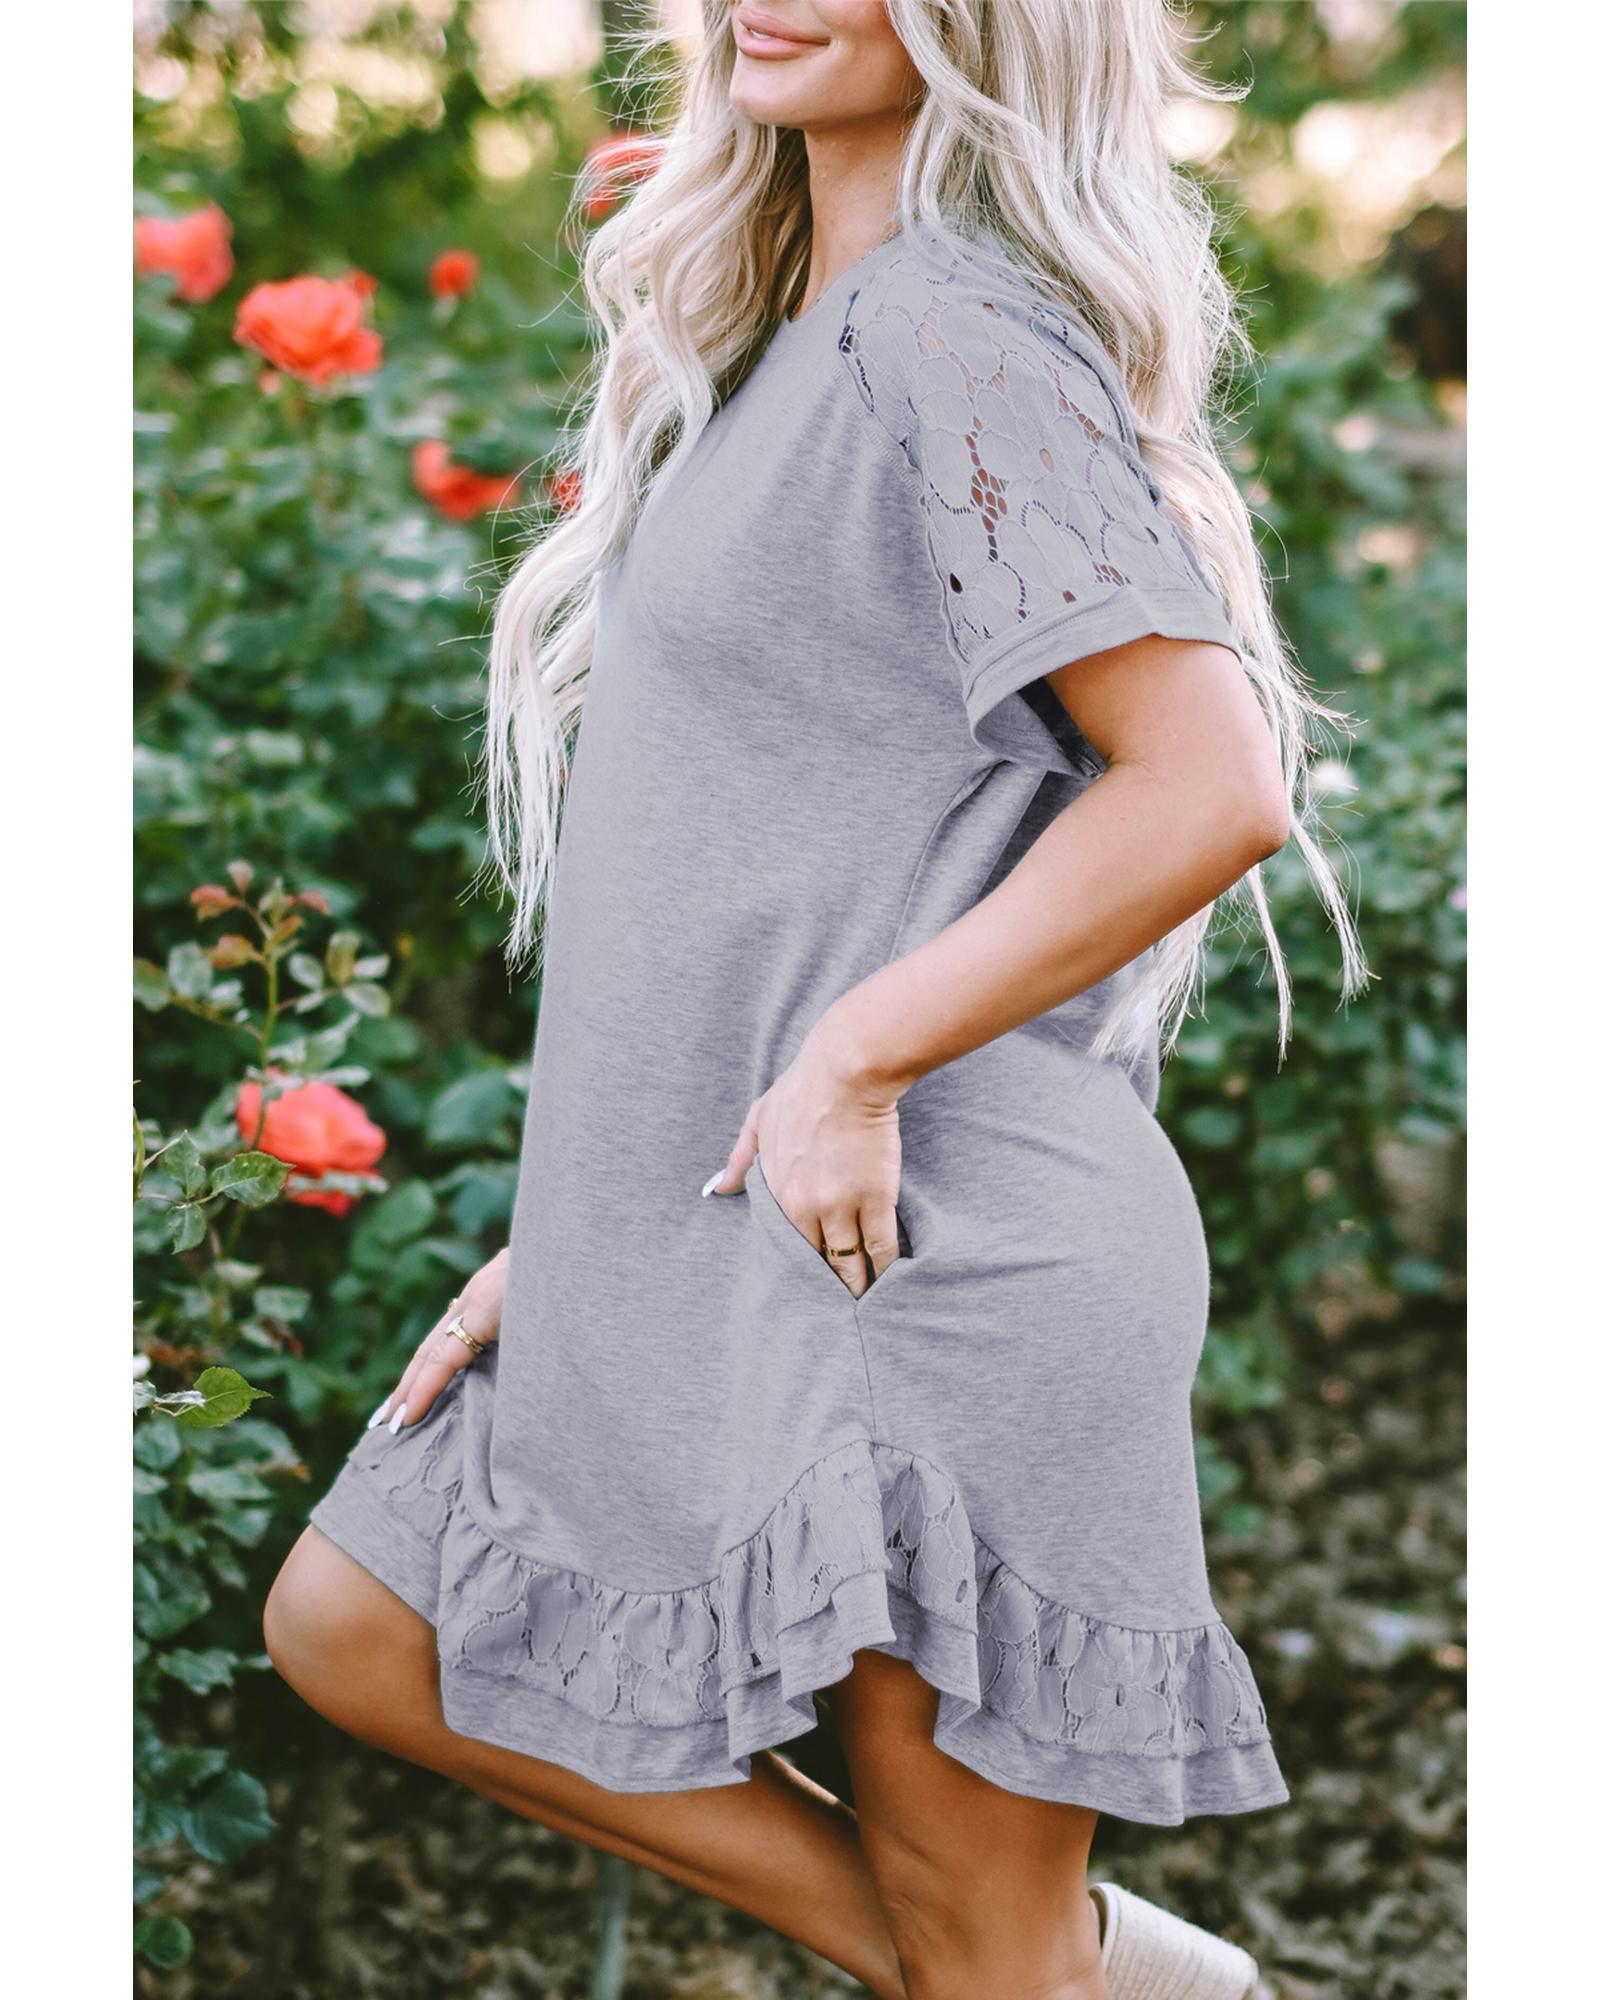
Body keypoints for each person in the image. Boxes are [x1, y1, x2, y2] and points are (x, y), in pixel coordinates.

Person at [264, 5, 1365, 1996]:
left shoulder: (952, 326)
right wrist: (599, 1228)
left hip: (931, 1255)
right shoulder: (799, 332)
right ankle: (1084, 1978)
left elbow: (1207, 785)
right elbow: (763, 855)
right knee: (364, 1622)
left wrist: (851, 1065)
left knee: (975, 1948)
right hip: (751, 1224)